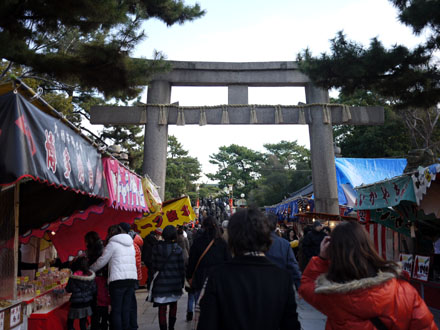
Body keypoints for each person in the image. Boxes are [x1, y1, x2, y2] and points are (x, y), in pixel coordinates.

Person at [299, 221, 437, 330]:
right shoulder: (404, 292)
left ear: (333, 252)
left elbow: (305, 285)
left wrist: (321, 259)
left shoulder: (331, 297)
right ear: (368, 245)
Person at [197, 208, 301, 330]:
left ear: (232, 237)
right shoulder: (282, 278)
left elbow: (207, 324)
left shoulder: (217, 276)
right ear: (265, 235)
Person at [90, 224, 137, 330]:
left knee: (116, 310)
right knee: (126, 309)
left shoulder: (112, 244)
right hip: (131, 279)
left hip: (117, 281)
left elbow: (102, 261)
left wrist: (90, 269)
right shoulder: (130, 243)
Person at [186, 216, 231, 322]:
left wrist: (189, 276)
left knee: (200, 309)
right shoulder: (222, 243)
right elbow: (228, 262)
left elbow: (191, 262)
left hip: (200, 279)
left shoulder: (198, 242)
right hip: (219, 280)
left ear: (203, 226)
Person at [150, 225, 185, 330]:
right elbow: (181, 268)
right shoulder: (178, 249)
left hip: (161, 283)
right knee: (173, 306)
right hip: (174, 282)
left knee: (162, 308)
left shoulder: (156, 248)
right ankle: (171, 328)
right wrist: (182, 282)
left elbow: (154, 265)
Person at [265, 214, 301, 290]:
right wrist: (300, 287)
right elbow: (293, 268)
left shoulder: (255, 242)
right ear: (276, 225)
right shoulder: (284, 244)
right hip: (281, 286)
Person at [85, 231, 110, 330]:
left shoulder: (96, 249)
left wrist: (89, 268)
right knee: (102, 301)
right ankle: (103, 323)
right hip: (101, 277)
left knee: (98, 302)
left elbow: (97, 263)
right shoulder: (101, 246)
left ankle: (97, 324)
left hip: (97, 277)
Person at [66, 256, 97, 330]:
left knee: (70, 322)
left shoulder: (73, 277)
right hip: (87, 303)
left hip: (76, 304)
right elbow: (94, 290)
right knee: (83, 323)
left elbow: (68, 289)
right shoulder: (91, 276)